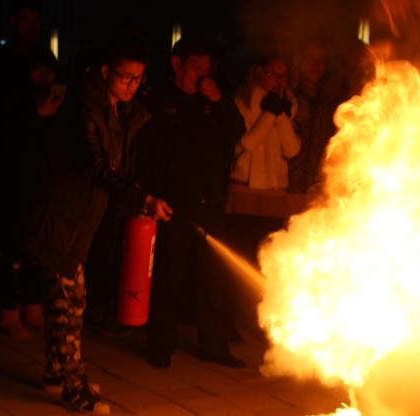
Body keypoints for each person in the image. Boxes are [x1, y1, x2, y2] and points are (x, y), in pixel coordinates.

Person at [23, 32, 171, 414]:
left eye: (138, 78)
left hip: (82, 215)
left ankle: (56, 374)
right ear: (105, 72)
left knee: (67, 296)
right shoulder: (83, 107)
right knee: (68, 302)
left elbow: (118, 165)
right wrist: (141, 198)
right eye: (125, 77)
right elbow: (96, 166)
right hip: (61, 213)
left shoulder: (118, 108)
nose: (132, 86)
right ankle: (73, 387)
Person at [140, 37, 246, 369]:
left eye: (206, 70)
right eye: (195, 67)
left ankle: (214, 346)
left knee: (211, 276)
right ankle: (160, 346)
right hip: (172, 203)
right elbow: (144, 150)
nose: (201, 75)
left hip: (208, 203)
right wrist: (148, 195)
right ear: (177, 64)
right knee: (169, 275)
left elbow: (235, 132)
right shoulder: (158, 99)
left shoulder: (211, 101)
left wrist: (219, 101)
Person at [0, 0, 45, 304]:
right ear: (13, 20)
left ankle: (25, 297)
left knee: (29, 231)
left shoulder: (44, 56)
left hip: (34, 159)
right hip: (0, 159)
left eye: (35, 21)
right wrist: (30, 106)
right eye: (25, 19)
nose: (30, 27)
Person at [0, 48, 59, 338]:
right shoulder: (14, 102)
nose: (44, 76)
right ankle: (8, 312)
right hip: (14, 186)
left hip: (43, 186)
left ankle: (33, 308)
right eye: (38, 69)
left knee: (37, 250)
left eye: (49, 70)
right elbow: (6, 140)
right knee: (13, 250)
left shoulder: (56, 105)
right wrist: (36, 116)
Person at [232, 55, 301, 191]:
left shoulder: (290, 106)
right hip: (243, 185)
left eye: (283, 76)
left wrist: (279, 113)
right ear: (260, 74)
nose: (279, 80)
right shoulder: (243, 102)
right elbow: (248, 143)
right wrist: (270, 113)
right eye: (272, 74)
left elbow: (292, 150)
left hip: (277, 187)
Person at [288, 42, 335, 194]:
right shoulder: (288, 98)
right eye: (310, 58)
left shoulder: (329, 104)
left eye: (321, 60)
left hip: (316, 189)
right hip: (286, 185)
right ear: (299, 61)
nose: (316, 65)